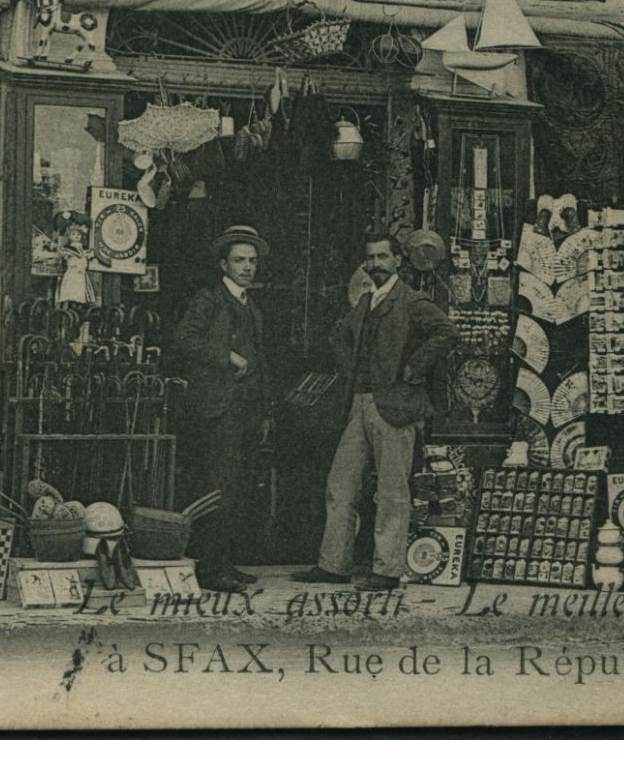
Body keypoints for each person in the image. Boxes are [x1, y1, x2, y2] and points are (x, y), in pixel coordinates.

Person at [293, 233, 458, 591]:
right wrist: (349, 367)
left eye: (383, 257)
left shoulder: (412, 300)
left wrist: (415, 368)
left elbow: (446, 332)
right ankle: (333, 565)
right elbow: (339, 335)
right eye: (371, 258)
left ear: (399, 260)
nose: (376, 264)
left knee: (392, 491)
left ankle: (387, 570)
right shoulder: (366, 301)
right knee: (340, 485)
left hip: (395, 406)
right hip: (359, 403)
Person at [171, 225, 270, 594]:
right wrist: (226, 356)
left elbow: (259, 362)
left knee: (237, 489)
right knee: (217, 487)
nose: (247, 267)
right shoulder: (208, 299)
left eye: (252, 261)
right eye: (240, 260)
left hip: (243, 411)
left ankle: (225, 562)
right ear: (223, 265)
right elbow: (184, 340)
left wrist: (263, 413)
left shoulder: (250, 305)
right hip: (217, 409)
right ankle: (210, 568)